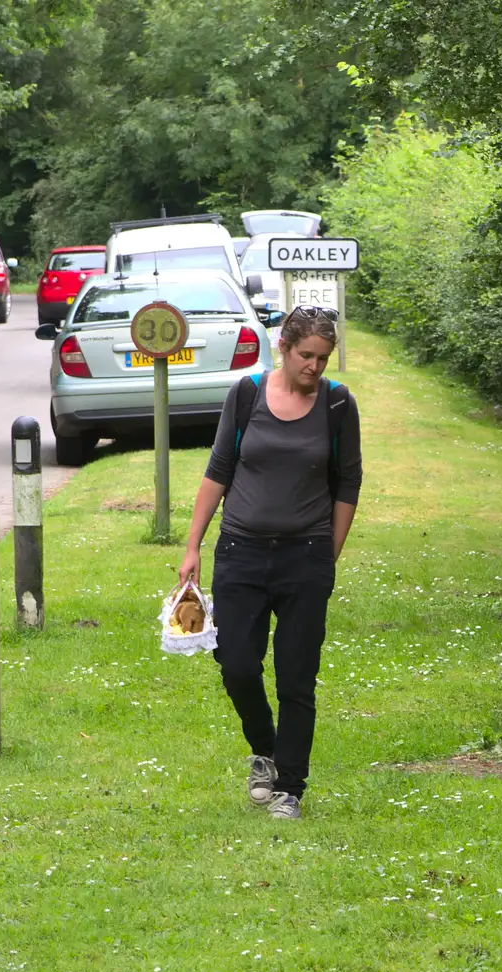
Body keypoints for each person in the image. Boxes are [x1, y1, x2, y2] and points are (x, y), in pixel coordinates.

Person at [177, 305, 362, 819]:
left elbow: (348, 482)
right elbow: (219, 468)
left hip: (305, 558)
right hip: (240, 551)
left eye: (324, 358)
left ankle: (291, 788)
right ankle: (266, 750)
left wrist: (330, 550)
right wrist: (193, 546)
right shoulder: (247, 393)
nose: (315, 367)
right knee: (235, 663)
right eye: (307, 355)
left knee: (296, 676)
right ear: (284, 345)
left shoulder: (337, 404)